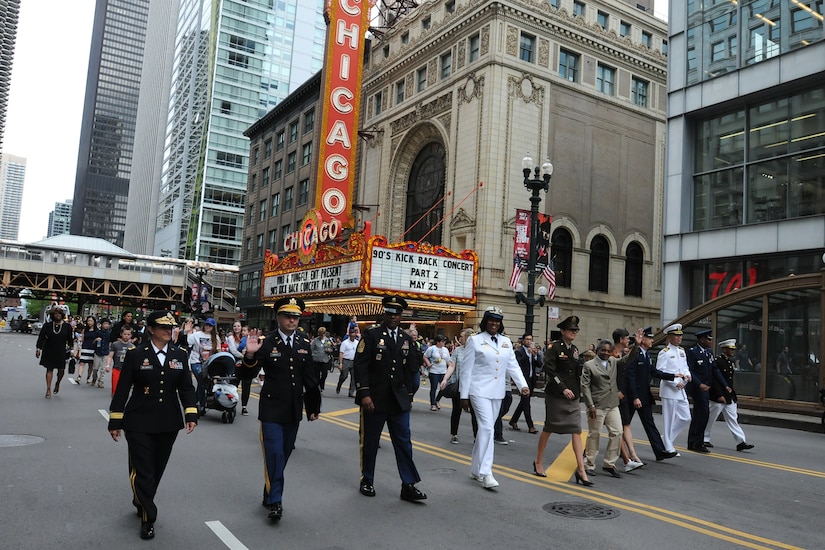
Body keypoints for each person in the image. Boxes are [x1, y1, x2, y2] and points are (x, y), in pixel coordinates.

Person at [107, 311, 198, 540]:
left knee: (156, 469)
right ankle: (149, 517)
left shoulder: (180, 354)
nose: (168, 331)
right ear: (150, 329)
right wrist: (115, 420)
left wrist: (191, 414)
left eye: (171, 327)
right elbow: (123, 388)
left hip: (168, 421)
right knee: (144, 470)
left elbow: (186, 387)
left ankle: (141, 498)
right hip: (138, 420)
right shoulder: (136, 354)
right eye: (162, 327)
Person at [242, 297, 321, 521]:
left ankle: (269, 492)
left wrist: (313, 407)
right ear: (278, 317)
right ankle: (276, 501)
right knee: (275, 455)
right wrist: (250, 355)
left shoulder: (304, 343)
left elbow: (311, 379)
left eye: (296, 316)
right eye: (288, 315)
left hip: (293, 410)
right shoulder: (266, 343)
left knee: (283, 455)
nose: (292, 320)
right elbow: (246, 375)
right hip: (272, 409)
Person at [354, 296, 427, 502]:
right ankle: (367, 479)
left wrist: (410, 396)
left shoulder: (406, 339)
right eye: (390, 312)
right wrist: (364, 394)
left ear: (401, 315)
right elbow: (361, 366)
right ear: (384, 313)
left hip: (398, 401)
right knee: (370, 441)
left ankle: (408, 484)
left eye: (397, 313)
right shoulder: (371, 335)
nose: (393, 316)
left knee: (404, 443)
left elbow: (412, 368)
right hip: (374, 400)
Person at [460, 306, 529, 489]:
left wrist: (523, 385)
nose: (494, 324)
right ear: (485, 321)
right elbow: (466, 371)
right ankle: (486, 472)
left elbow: (513, 365)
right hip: (478, 390)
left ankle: (475, 469)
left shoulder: (506, 341)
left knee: (486, 429)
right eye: (491, 320)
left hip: (497, 392)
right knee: (488, 428)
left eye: (497, 321)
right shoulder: (475, 341)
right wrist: (463, 395)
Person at [533, 316, 592, 486]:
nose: (574, 333)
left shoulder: (574, 349)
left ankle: (581, 470)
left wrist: (577, 391)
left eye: (575, 330)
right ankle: (538, 462)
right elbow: (551, 371)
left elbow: (575, 372)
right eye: (571, 330)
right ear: (563, 331)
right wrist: (563, 388)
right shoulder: (554, 348)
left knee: (576, 430)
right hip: (556, 395)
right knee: (549, 427)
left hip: (572, 395)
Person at [581, 331, 643, 479]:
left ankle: (609, 463)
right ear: (597, 351)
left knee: (617, 432)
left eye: (608, 351)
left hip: (612, 404)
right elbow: (585, 386)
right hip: (597, 406)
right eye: (603, 350)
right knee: (594, 435)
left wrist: (637, 345)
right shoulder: (589, 365)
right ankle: (589, 464)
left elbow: (629, 359)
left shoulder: (613, 362)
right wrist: (590, 406)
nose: (606, 353)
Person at [625, 327, 680, 461]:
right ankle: (617, 451)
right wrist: (635, 397)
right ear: (642, 339)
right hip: (633, 397)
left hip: (644, 397)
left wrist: (673, 376)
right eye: (650, 338)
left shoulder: (647, 355)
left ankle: (660, 451)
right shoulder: (635, 354)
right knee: (622, 425)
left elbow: (655, 372)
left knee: (650, 423)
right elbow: (630, 377)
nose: (652, 341)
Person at [704, 339, 754, 452]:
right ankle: (704, 438)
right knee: (711, 418)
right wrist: (719, 395)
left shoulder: (730, 362)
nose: (733, 351)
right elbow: (715, 380)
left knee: (733, 419)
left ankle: (740, 442)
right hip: (718, 396)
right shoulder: (718, 361)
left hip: (729, 396)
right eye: (730, 349)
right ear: (724, 349)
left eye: (733, 349)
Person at [686, 329, 727, 453]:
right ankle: (698, 442)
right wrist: (699, 384)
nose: (710, 341)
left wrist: (724, 385)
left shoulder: (709, 352)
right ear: (701, 339)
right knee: (703, 414)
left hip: (706, 388)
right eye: (708, 339)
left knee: (700, 415)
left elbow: (715, 370)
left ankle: (693, 442)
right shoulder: (693, 352)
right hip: (697, 388)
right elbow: (690, 371)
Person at [656, 323, 693, 456]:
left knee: (685, 417)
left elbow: (684, 367)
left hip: (681, 389)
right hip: (670, 389)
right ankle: (668, 446)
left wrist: (687, 377)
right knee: (669, 419)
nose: (679, 338)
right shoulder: (664, 353)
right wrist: (675, 382)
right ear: (670, 337)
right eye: (676, 336)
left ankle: (666, 440)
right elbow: (661, 372)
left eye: (680, 336)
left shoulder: (681, 351)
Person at [611, 328, 644, 472]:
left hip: (622, 395)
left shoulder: (622, 354)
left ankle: (633, 455)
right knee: (611, 429)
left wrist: (637, 345)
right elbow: (606, 375)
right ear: (620, 339)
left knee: (625, 425)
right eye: (627, 338)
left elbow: (629, 360)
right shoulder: (609, 352)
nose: (628, 341)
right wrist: (615, 390)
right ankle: (627, 459)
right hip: (612, 396)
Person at [440, 328, 474, 444]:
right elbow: (452, 366)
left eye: (462, 337)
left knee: (475, 412)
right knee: (456, 410)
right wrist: (445, 379)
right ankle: (454, 434)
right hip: (459, 384)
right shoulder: (458, 350)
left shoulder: (477, 350)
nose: (460, 339)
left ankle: (477, 436)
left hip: (473, 386)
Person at [35, 306, 74, 398]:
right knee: (49, 369)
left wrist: (72, 349)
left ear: (62, 315)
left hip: (61, 351)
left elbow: (70, 339)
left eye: (59, 314)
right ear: (53, 315)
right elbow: (41, 337)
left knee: (61, 370)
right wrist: (38, 348)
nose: (58, 315)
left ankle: (58, 382)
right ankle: (48, 388)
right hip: (49, 350)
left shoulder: (67, 326)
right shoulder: (47, 326)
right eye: (56, 314)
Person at [187, 317, 220, 415]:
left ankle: (198, 403)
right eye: (206, 324)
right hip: (196, 361)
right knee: (201, 380)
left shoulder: (216, 338)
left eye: (210, 325)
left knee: (205, 383)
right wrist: (188, 331)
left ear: (213, 327)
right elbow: (188, 342)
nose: (207, 327)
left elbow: (218, 350)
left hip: (209, 362)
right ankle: (199, 404)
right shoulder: (196, 335)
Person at [510, 334, 541, 433]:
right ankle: (530, 426)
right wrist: (526, 354)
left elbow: (540, 364)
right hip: (522, 381)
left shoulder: (533, 351)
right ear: (523, 341)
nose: (528, 341)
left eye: (530, 340)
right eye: (527, 339)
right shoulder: (519, 352)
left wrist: (536, 356)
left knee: (523, 402)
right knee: (526, 403)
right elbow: (517, 364)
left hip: (531, 380)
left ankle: (513, 420)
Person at [226, 321, 254, 415]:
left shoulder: (246, 338)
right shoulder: (230, 338)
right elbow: (233, 350)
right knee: (233, 385)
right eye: (234, 326)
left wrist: (246, 356)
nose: (236, 328)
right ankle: (231, 405)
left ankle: (244, 407)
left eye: (238, 326)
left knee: (246, 386)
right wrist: (243, 356)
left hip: (246, 365)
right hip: (235, 364)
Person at [423, 334, 452, 411]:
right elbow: (425, 356)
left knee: (443, 387)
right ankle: (433, 404)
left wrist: (451, 369)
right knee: (434, 388)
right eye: (442, 341)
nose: (443, 343)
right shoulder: (432, 349)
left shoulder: (445, 349)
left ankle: (437, 400)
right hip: (434, 371)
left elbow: (448, 361)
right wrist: (428, 364)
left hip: (443, 371)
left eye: (444, 341)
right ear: (438, 342)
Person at [108, 325, 135, 396]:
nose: (126, 336)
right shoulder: (115, 344)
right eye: (125, 334)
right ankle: (114, 402)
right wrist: (108, 364)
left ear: (131, 335)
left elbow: (134, 360)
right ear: (121, 334)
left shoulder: (132, 346)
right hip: (117, 369)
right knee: (115, 389)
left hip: (127, 370)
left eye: (128, 334)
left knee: (124, 389)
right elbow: (110, 356)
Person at [336, 326, 360, 397]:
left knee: (354, 378)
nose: (353, 337)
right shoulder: (345, 343)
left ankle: (351, 392)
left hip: (354, 361)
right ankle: (339, 384)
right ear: (349, 335)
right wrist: (340, 363)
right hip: (346, 360)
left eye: (354, 336)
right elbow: (341, 353)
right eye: (351, 336)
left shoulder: (357, 342)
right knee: (344, 376)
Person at [310, 327, 333, 392]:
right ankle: (317, 387)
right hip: (316, 359)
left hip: (325, 360)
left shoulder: (327, 340)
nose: (322, 335)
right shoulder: (315, 340)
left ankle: (321, 384)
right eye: (320, 334)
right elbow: (311, 349)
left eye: (323, 333)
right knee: (316, 374)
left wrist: (329, 350)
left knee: (324, 374)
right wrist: (313, 354)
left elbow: (331, 349)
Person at [77, 316, 98, 384]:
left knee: (90, 364)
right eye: (88, 321)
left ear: (94, 322)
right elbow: (82, 339)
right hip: (85, 348)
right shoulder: (84, 330)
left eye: (91, 321)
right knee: (82, 363)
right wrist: (79, 348)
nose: (89, 322)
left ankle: (88, 377)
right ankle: (79, 377)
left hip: (93, 349)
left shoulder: (97, 331)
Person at [92, 318, 112, 388]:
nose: (106, 325)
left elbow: (110, 342)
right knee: (95, 368)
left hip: (106, 352)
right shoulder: (98, 332)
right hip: (97, 352)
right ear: (101, 324)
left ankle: (101, 381)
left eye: (107, 324)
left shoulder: (109, 333)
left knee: (103, 368)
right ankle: (94, 378)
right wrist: (96, 339)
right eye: (105, 324)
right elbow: (93, 342)